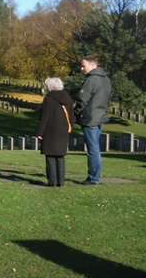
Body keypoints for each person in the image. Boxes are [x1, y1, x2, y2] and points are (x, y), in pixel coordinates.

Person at [75, 55, 112, 185]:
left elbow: (82, 100)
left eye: (83, 66)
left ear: (92, 65)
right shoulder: (106, 80)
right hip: (100, 116)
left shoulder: (91, 80)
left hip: (90, 117)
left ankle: (93, 178)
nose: (81, 69)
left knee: (93, 149)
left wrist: (75, 113)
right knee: (95, 147)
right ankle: (94, 176)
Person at [36, 77, 74, 187]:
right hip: (63, 130)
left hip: (50, 130)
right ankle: (61, 182)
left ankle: (52, 181)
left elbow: (45, 117)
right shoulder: (68, 99)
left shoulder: (49, 99)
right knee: (60, 157)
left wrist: (40, 132)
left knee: (50, 157)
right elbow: (71, 116)